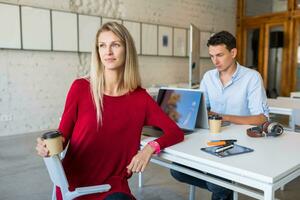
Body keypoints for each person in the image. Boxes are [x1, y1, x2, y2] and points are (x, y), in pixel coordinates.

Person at [36, 22, 184, 200]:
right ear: (97, 51)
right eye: (102, 45)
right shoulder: (81, 88)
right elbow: (62, 136)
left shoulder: (140, 98)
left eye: (115, 44)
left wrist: (148, 150)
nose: (108, 52)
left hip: (112, 185)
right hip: (75, 187)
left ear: (126, 50)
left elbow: (175, 132)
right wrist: (47, 147)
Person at [170, 31, 269, 200]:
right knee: (177, 170)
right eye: (211, 56)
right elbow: (202, 108)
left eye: (220, 55)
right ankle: (222, 189)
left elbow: (262, 118)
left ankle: (221, 188)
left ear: (233, 53)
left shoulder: (251, 78)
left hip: (240, 143)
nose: (215, 61)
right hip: (211, 138)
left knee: (217, 183)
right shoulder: (209, 77)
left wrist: (225, 117)